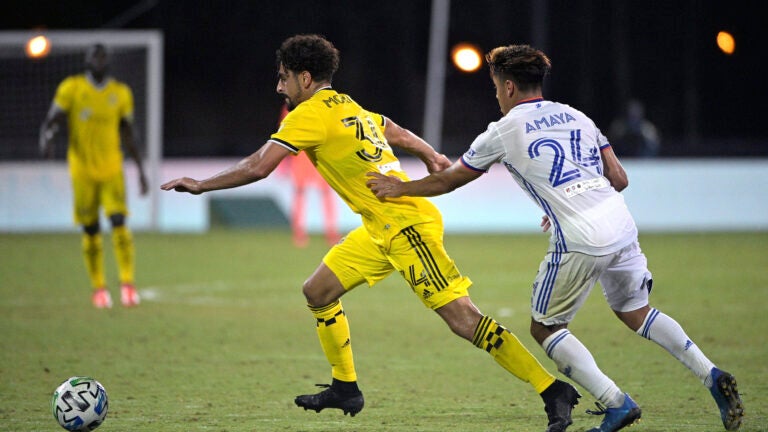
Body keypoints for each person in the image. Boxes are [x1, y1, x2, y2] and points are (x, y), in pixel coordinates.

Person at [162, 34, 581, 431]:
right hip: (379, 227)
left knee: (462, 319)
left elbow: (258, 165)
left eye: (283, 77)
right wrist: (431, 154)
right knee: (318, 291)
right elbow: (392, 128)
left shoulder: (308, 113)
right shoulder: (345, 104)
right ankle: (345, 388)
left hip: (406, 226)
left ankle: (552, 389)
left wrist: (201, 185)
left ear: (304, 79)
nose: (279, 86)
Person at [366, 44, 744, 432]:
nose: (496, 96)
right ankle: (710, 374)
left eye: (496, 88)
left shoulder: (502, 130)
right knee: (636, 311)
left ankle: (617, 403)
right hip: (619, 222)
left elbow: (449, 179)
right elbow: (619, 179)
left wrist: (400, 188)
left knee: (545, 327)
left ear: (509, 86)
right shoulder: (577, 116)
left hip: (581, 234)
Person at [40, 43, 148, 309]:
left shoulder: (120, 93)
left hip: (112, 168)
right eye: (94, 57)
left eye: (102, 57)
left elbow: (128, 133)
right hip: (83, 170)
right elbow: (51, 120)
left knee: (119, 222)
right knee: (91, 229)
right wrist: (46, 137)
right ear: (87, 61)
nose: (99, 62)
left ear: (108, 62)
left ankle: (127, 284)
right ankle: (99, 288)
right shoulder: (72, 88)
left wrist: (141, 170)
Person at [275, 103, 342, 247]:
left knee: (325, 191)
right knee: (300, 192)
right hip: (301, 154)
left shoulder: (321, 102)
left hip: (319, 153)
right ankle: (299, 231)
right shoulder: (291, 106)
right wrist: (283, 159)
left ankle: (331, 231)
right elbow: (284, 133)